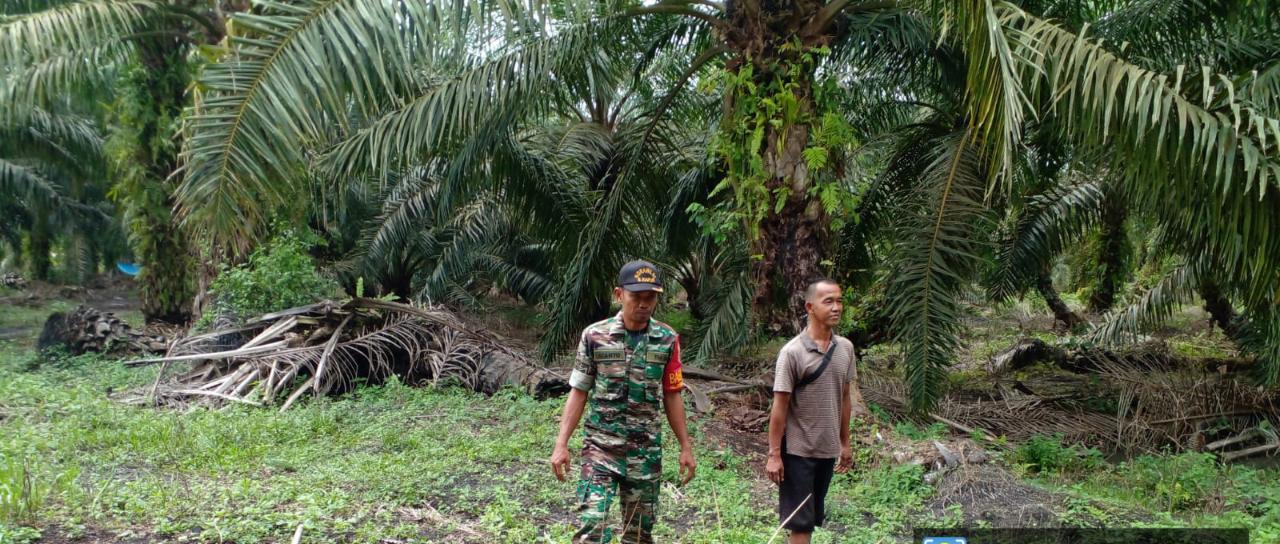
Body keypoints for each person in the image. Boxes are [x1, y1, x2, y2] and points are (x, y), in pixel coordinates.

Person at [550, 260, 697, 543]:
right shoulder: (594, 336)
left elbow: (672, 394)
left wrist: (685, 446)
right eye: (636, 297)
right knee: (592, 528)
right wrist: (561, 444)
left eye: (650, 298)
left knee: (639, 535)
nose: (644, 304)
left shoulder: (667, 339)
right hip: (600, 449)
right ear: (619, 295)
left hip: (645, 453)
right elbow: (579, 390)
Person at [765, 278, 863, 544]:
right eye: (828, 301)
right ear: (810, 306)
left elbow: (845, 397)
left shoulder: (845, 349)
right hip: (798, 451)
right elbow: (780, 405)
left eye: (839, 301)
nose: (836, 307)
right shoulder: (792, 352)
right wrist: (774, 454)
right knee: (801, 524)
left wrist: (845, 443)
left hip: (827, 449)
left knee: (811, 520)